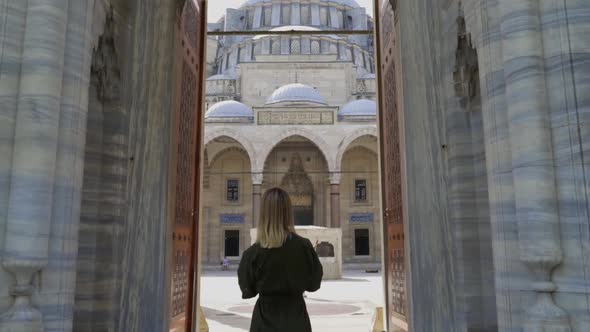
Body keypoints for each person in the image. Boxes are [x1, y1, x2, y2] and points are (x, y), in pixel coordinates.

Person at [238, 187, 323, 332]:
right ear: (289, 212)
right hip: (296, 321)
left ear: (263, 214)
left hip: (264, 322)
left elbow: (248, 290)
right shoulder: (304, 247)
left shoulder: (252, 254)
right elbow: (314, 285)